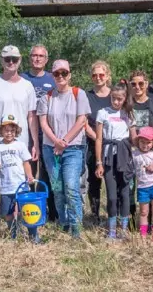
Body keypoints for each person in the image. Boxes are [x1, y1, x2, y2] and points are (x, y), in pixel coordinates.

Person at [0, 45, 39, 226]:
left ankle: (18, 220)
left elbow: (31, 116)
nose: (11, 62)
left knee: (19, 182)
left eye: (14, 59)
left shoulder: (27, 86)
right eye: (7, 59)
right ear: (1, 61)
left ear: (20, 60)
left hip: (20, 143)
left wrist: (34, 142)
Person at [37, 59, 90, 238]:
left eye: (64, 73)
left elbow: (81, 120)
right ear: (52, 75)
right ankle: (63, 221)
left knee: (71, 186)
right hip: (50, 148)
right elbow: (43, 122)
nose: (60, 76)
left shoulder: (78, 94)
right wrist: (55, 141)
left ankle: (76, 227)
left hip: (73, 148)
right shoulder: (47, 97)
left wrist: (64, 141)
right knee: (57, 188)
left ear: (69, 75)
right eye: (57, 73)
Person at [0, 115, 36, 239]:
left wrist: (30, 176)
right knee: (6, 212)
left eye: (12, 130)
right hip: (6, 186)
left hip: (21, 185)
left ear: (16, 131)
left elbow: (26, 163)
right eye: (6, 130)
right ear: (0, 131)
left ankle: (31, 234)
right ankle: (13, 230)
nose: (9, 133)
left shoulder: (20, 145)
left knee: (26, 210)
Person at [95, 82, 134, 240]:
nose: (116, 102)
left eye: (119, 99)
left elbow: (134, 137)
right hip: (108, 155)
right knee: (111, 195)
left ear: (125, 99)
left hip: (124, 155)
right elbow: (98, 138)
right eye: (114, 98)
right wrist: (99, 162)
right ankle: (111, 231)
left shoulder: (129, 114)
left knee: (125, 193)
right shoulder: (103, 113)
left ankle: (123, 230)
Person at [21, 44, 56, 219]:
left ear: (46, 59)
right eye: (34, 55)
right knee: (28, 173)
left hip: (48, 133)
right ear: (29, 58)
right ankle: (30, 208)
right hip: (25, 134)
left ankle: (51, 210)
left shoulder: (53, 79)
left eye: (41, 56)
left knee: (48, 173)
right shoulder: (21, 79)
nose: (37, 58)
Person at [84, 61, 112, 222]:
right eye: (94, 75)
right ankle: (95, 215)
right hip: (92, 143)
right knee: (94, 181)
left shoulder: (115, 95)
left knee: (111, 180)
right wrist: (98, 138)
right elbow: (84, 121)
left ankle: (112, 214)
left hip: (113, 145)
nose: (98, 78)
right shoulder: (87, 96)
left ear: (107, 76)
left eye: (101, 74)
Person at [132, 126, 153, 242]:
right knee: (144, 211)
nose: (145, 145)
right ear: (138, 142)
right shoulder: (135, 155)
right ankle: (143, 235)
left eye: (148, 142)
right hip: (142, 187)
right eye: (142, 142)